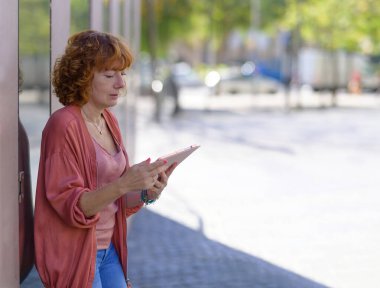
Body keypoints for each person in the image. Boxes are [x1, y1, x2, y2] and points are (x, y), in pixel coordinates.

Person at [34, 30, 176, 288]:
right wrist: (124, 183)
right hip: (77, 255)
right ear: (83, 76)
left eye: (123, 74)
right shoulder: (63, 125)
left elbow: (117, 201)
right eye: (109, 75)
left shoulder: (108, 120)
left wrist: (147, 191)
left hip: (109, 250)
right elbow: (74, 206)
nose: (121, 84)